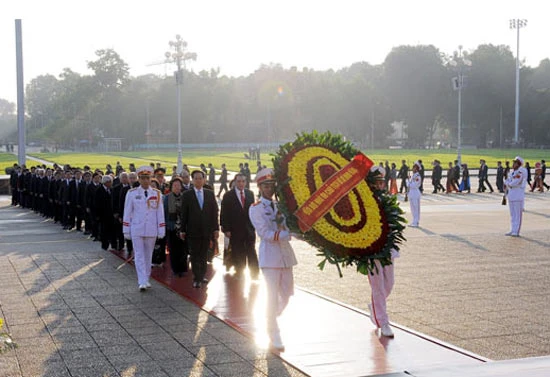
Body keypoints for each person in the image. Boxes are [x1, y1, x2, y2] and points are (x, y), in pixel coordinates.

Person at [249, 168, 297, 351]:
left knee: (286, 294)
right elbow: (265, 233)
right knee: (271, 295)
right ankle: (273, 330)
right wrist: (288, 233)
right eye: (266, 186)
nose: (269, 189)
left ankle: (270, 318)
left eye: (271, 185)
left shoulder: (281, 206)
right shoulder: (255, 209)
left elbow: (289, 225)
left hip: (285, 256)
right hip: (270, 257)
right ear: (260, 188)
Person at [365, 166, 398, 338]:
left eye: (381, 182)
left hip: (388, 248)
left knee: (389, 283)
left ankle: (375, 306)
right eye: (376, 182)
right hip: (372, 250)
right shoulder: (365, 201)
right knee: (377, 286)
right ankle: (384, 323)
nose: (380, 185)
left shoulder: (387, 200)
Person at [123, 166, 166, 291]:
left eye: (147, 178)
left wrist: (161, 229)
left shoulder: (157, 194)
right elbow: (127, 212)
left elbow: (160, 213)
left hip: (151, 229)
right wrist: (126, 229)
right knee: (139, 255)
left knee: (148, 255)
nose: (145, 181)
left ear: (151, 178)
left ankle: (146, 278)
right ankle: (141, 280)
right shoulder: (132, 193)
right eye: (142, 178)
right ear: (139, 179)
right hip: (137, 228)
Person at [180, 170, 220, 288]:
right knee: (194, 255)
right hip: (192, 230)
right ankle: (196, 277)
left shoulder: (209, 193)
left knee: (203, 255)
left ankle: (202, 276)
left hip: (206, 230)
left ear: (204, 180)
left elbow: (214, 212)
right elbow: (184, 214)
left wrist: (216, 229)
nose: (198, 180)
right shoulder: (187, 195)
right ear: (192, 180)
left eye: (200, 178)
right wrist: (183, 229)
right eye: (196, 178)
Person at [220, 173, 258, 278]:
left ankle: (254, 274)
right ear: (235, 182)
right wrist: (226, 229)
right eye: (239, 181)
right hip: (235, 229)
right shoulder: (228, 195)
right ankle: (240, 272)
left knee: (251, 251)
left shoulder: (250, 194)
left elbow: (253, 211)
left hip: (249, 229)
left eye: (243, 181)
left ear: (246, 182)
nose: (241, 183)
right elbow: (224, 213)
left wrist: (255, 225)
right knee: (238, 252)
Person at [164, 177, 189, 277]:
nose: (177, 187)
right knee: (174, 249)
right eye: (175, 185)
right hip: (172, 227)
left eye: (179, 185)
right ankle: (175, 269)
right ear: (171, 187)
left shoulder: (185, 197)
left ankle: (183, 269)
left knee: (183, 249)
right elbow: (164, 212)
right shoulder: (167, 198)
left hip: (183, 228)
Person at [504, 156, 527, 237]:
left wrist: (509, 184)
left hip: (518, 195)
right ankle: (513, 229)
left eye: (515, 163)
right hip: (511, 195)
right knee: (512, 214)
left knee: (517, 214)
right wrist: (508, 183)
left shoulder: (521, 171)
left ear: (519, 164)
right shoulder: (512, 172)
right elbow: (507, 180)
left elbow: (516, 182)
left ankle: (516, 231)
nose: (513, 164)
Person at [95, 175, 115, 251]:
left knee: (113, 230)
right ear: (106, 182)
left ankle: (113, 244)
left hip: (111, 214)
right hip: (103, 214)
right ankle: (104, 245)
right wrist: (97, 215)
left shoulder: (112, 190)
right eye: (110, 182)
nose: (111, 184)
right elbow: (96, 203)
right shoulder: (99, 190)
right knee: (104, 231)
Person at [407, 161, 422, 227]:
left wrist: (408, 183)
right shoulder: (414, 175)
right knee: (412, 208)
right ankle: (414, 221)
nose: (413, 169)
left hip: (415, 193)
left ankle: (416, 221)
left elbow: (414, 185)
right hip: (411, 193)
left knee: (416, 208)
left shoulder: (418, 176)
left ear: (416, 168)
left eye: (414, 168)